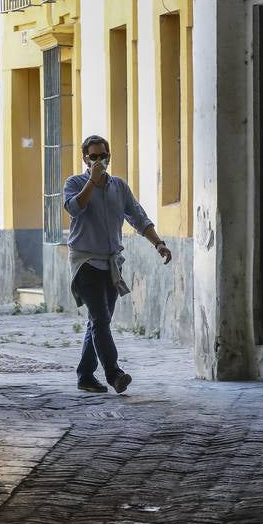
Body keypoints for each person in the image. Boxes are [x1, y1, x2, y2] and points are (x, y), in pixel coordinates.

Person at [63, 134, 172, 394]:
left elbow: (137, 216)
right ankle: (114, 374)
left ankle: (85, 375)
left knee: (100, 321)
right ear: (85, 159)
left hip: (112, 263)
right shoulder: (75, 183)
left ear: (109, 156)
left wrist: (158, 243)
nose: (99, 161)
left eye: (103, 156)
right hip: (85, 261)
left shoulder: (118, 187)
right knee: (99, 319)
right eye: (93, 157)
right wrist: (92, 181)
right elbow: (73, 208)